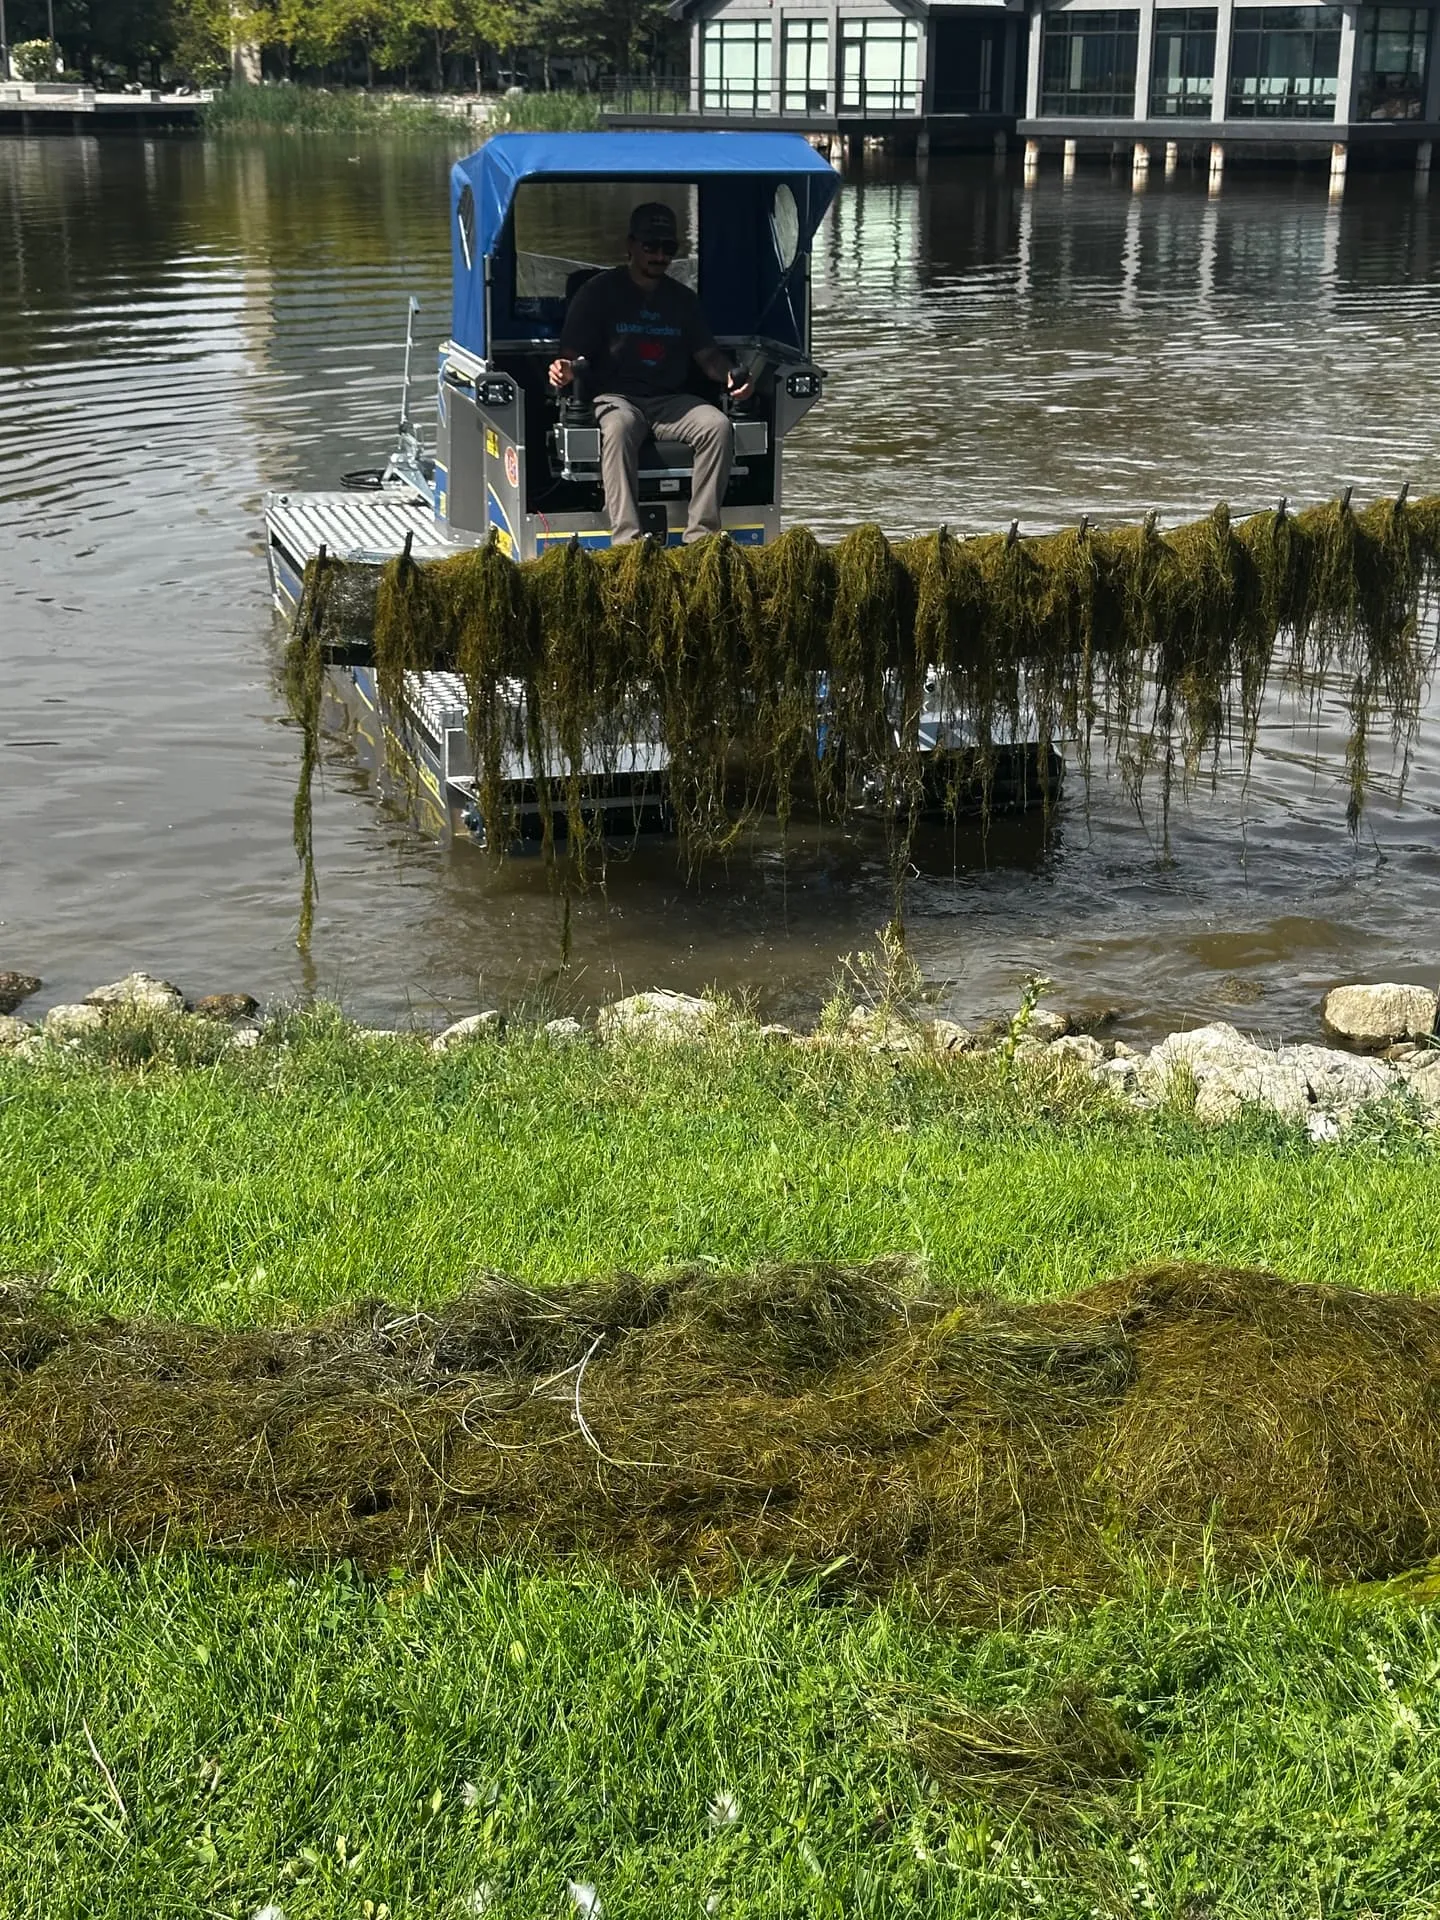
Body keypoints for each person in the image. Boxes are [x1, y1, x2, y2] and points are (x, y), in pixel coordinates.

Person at [549, 202, 754, 545]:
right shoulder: (598, 293)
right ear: (630, 245)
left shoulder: (683, 300)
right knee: (618, 427)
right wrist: (564, 370)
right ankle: (627, 542)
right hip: (615, 398)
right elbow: (569, 358)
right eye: (650, 247)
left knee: (717, 426)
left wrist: (732, 377)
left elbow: (708, 359)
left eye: (668, 249)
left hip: (670, 401)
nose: (659, 256)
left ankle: (701, 538)